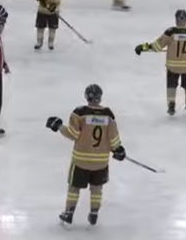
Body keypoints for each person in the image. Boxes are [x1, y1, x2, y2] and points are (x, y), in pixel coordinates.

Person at [45, 84, 126, 226]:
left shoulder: (79, 113)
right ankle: (94, 213)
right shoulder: (108, 115)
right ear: (100, 97)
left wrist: (58, 127)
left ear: (86, 96)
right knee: (96, 188)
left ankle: (69, 213)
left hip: (81, 160)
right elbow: (113, 139)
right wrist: (118, 149)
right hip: (101, 162)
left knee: (74, 187)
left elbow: (73, 134)